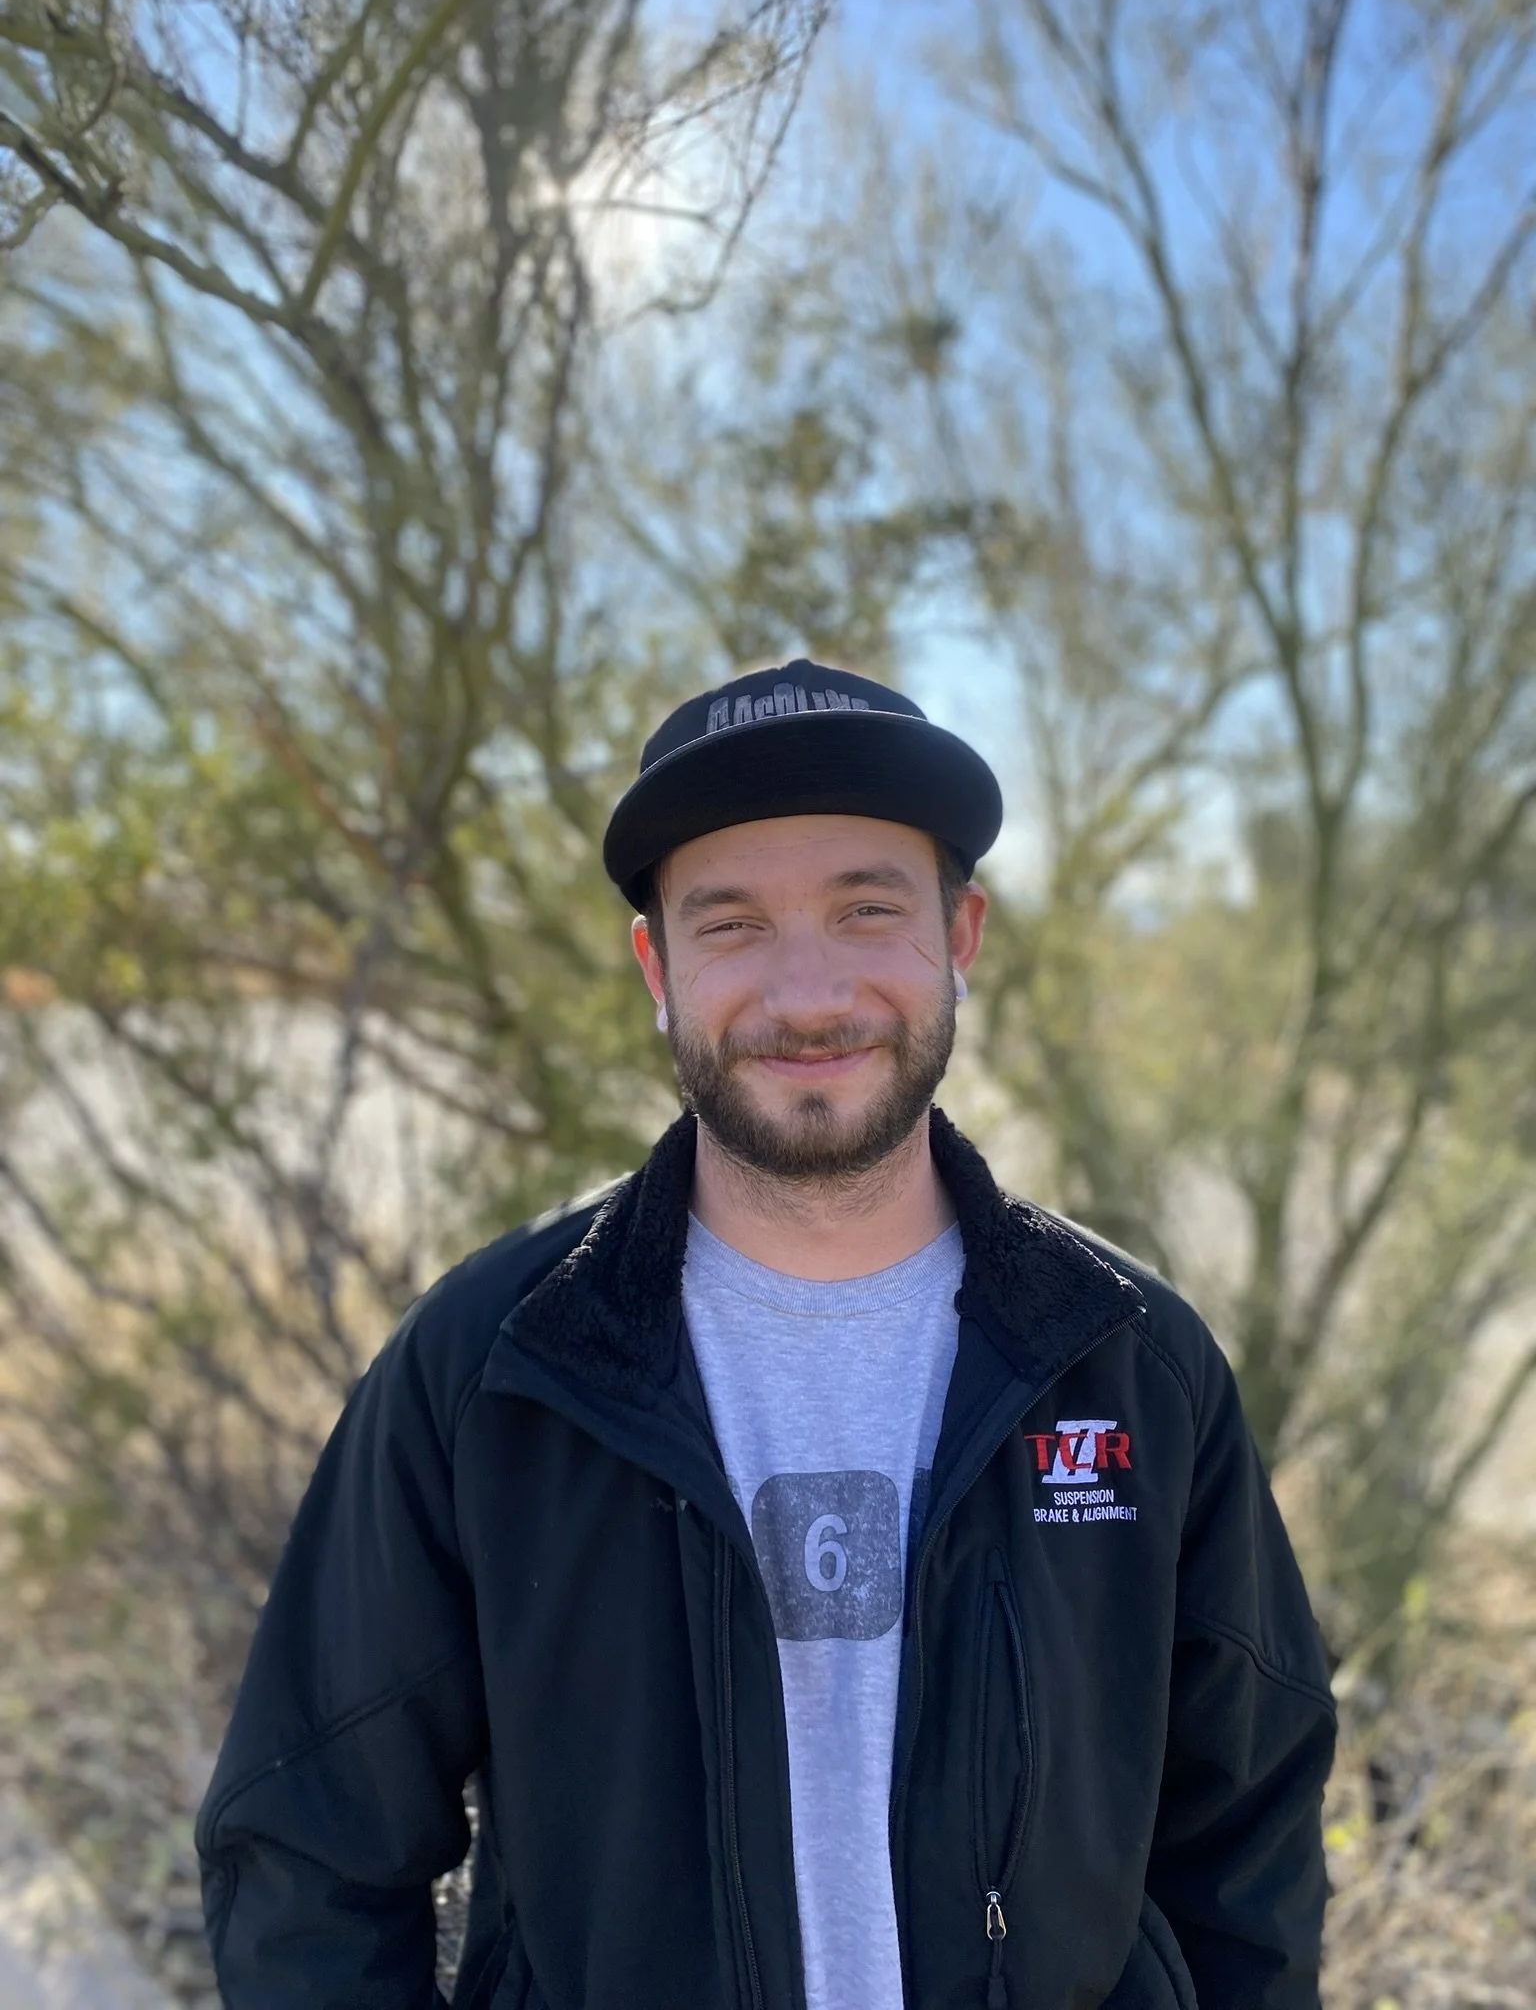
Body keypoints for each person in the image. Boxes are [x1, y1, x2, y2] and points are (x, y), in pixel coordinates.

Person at [196, 658, 1336, 2010]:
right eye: (732, 924)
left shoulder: (1128, 1361)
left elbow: (1245, 1851)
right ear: (656, 965)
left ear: (958, 938)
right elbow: (308, 1855)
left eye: (868, 910)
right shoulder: (495, 1369)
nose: (808, 995)